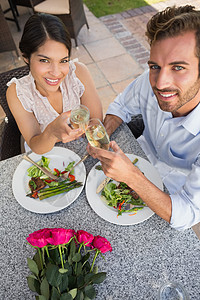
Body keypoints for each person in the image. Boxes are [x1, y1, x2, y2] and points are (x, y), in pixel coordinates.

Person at [87, 5, 200, 231]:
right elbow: (120, 106)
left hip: (172, 201)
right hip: (136, 161)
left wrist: (132, 177)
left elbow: (187, 213)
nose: (159, 83)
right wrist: (102, 134)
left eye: (178, 67)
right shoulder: (149, 82)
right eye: (155, 66)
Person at [6, 13, 103, 154]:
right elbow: (36, 146)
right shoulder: (18, 92)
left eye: (63, 61)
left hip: (83, 151)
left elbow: (96, 121)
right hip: (46, 156)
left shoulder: (79, 73)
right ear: (26, 57)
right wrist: (51, 132)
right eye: (44, 60)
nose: (56, 73)